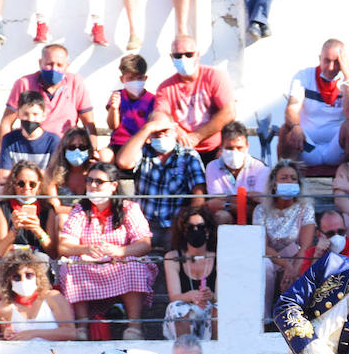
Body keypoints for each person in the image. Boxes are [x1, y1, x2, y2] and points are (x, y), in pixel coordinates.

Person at [57, 161, 156, 341]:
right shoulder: (80, 209)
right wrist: (85, 248)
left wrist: (120, 251)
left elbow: (144, 243)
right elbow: (63, 246)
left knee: (133, 265)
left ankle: (134, 327)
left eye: (99, 182)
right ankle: (82, 328)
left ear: (113, 186)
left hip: (119, 262)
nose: (93, 186)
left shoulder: (128, 208)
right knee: (72, 266)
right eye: (89, 181)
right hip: (89, 265)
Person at [0, 44, 97, 175]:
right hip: (30, 149)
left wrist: (93, 151)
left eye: (59, 65)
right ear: (40, 63)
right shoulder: (24, 83)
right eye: (49, 64)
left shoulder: (76, 82)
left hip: (65, 152)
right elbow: (6, 123)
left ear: (67, 66)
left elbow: (89, 123)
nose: (54, 69)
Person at [116, 115, 207, 247]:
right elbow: (123, 161)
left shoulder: (188, 155)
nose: (161, 135)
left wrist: (189, 221)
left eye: (165, 130)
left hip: (174, 225)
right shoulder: (143, 151)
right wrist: (147, 129)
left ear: (175, 130)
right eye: (156, 132)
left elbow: (199, 193)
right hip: (142, 224)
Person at [281, 38, 349, 169]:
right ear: (320, 58)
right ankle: (286, 181)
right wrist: (295, 126)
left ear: (343, 63)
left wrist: (348, 78)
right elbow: (291, 108)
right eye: (327, 61)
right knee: (286, 128)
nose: (331, 67)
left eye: (336, 62)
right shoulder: (304, 76)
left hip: (337, 148)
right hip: (306, 146)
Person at [153, 36, 236, 161]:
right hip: (181, 151)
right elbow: (160, 116)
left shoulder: (215, 76)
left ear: (198, 55)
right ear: (171, 57)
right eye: (178, 56)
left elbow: (229, 112)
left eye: (188, 54)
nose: (183, 59)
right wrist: (179, 132)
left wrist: (197, 136)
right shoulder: (165, 87)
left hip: (215, 150)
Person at [254, 161, 315, 315]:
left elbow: (305, 245)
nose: (289, 181)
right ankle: (264, 317)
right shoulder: (261, 210)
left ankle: (300, 317)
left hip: (297, 257)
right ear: (274, 184)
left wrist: (293, 268)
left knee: (306, 265)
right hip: (272, 258)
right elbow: (262, 245)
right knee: (264, 265)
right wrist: (286, 265)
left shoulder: (305, 208)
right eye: (284, 178)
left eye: (293, 178)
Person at [0, 249, 77, 341]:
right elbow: (8, 337)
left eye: (28, 275)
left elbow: (70, 333)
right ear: (8, 280)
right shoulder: (4, 307)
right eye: (16, 277)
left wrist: (33, 333)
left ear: (38, 276)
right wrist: (8, 335)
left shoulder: (53, 297)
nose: (23, 280)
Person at [162, 204, 217, 340]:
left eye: (201, 227)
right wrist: (191, 296)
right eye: (190, 228)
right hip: (186, 308)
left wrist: (210, 296)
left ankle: (219, 353)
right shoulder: (172, 257)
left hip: (208, 309)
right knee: (176, 308)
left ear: (208, 230)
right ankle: (185, 352)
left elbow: (220, 298)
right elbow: (174, 296)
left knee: (219, 308)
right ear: (184, 231)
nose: (196, 230)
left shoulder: (217, 257)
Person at [204, 121, 269, 226]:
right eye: (229, 148)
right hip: (227, 215)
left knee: (259, 213)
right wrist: (246, 199)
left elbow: (259, 204)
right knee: (221, 216)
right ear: (221, 148)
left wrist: (227, 204)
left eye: (239, 148)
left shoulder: (260, 168)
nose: (235, 152)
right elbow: (214, 202)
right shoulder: (212, 167)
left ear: (247, 146)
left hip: (253, 217)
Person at [0, 161, 58, 259]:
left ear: (39, 185)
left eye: (32, 184)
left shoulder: (47, 209)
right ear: (14, 184)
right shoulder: (2, 208)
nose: (27, 188)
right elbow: (0, 251)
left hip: (38, 259)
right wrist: (14, 230)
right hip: (12, 258)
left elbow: (53, 253)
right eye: (21, 184)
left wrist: (38, 230)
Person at [105, 54, 156, 163]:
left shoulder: (151, 99)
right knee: (104, 156)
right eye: (131, 78)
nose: (135, 82)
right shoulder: (117, 96)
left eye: (139, 78)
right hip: (118, 143)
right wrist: (114, 109)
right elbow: (112, 125)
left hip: (139, 145)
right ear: (122, 79)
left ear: (145, 78)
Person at [0, 92, 61, 174]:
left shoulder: (53, 140)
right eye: (25, 114)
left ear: (43, 116)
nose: (30, 119)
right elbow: (4, 174)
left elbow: (54, 174)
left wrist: (21, 175)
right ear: (18, 114)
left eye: (35, 114)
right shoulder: (9, 139)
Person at [46, 126, 98, 215]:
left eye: (82, 147)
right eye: (72, 147)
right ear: (64, 149)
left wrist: (96, 170)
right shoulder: (52, 173)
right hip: (61, 220)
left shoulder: (94, 173)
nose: (77, 151)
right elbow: (55, 208)